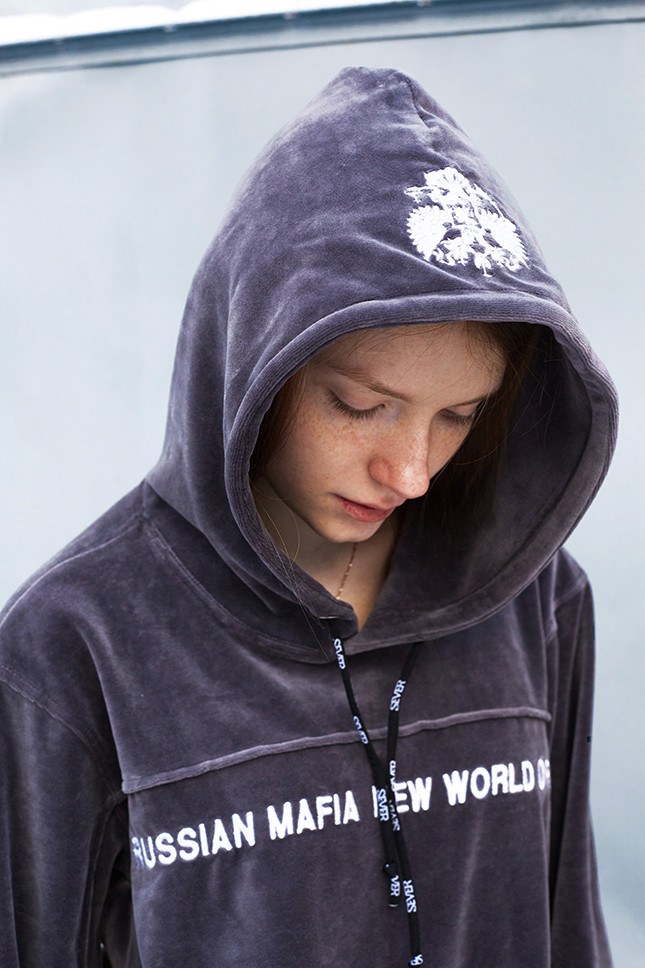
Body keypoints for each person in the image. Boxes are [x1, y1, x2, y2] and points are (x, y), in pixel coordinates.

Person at [0, 67, 616, 967]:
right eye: (360, 406)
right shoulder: (72, 643)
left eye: (458, 416)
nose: (410, 472)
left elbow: (569, 932)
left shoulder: (539, 602)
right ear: (254, 361)